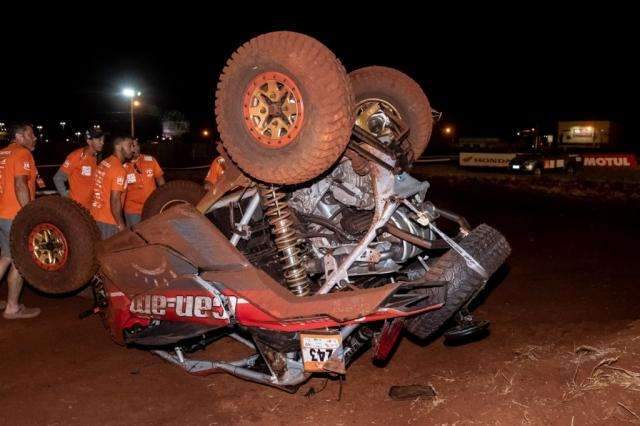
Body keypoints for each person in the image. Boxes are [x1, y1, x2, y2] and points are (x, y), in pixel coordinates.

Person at [0, 123, 41, 319]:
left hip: (2, 214)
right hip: (16, 216)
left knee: (6, 257)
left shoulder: (3, 153)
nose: (35, 137)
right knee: (20, 261)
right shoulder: (22, 154)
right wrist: (28, 215)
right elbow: (20, 184)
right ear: (19, 136)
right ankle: (12, 307)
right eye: (30, 134)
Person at [89, 135, 134, 239]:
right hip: (108, 221)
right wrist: (120, 225)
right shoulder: (119, 169)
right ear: (118, 146)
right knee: (111, 253)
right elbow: (115, 200)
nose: (132, 149)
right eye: (129, 145)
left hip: (95, 216)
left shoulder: (105, 162)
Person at [53, 128, 105, 209]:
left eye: (103, 139)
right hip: (77, 208)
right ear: (89, 141)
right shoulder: (76, 156)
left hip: (92, 208)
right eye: (99, 139)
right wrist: (68, 201)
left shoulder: (97, 157)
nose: (102, 142)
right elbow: (58, 178)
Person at [123, 139, 165, 226]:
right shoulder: (122, 166)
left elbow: (160, 180)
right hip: (133, 210)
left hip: (152, 207)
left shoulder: (150, 160)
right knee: (135, 236)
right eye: (132, 146)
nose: (136, 148)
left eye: (137, 145)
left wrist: (164, 198)